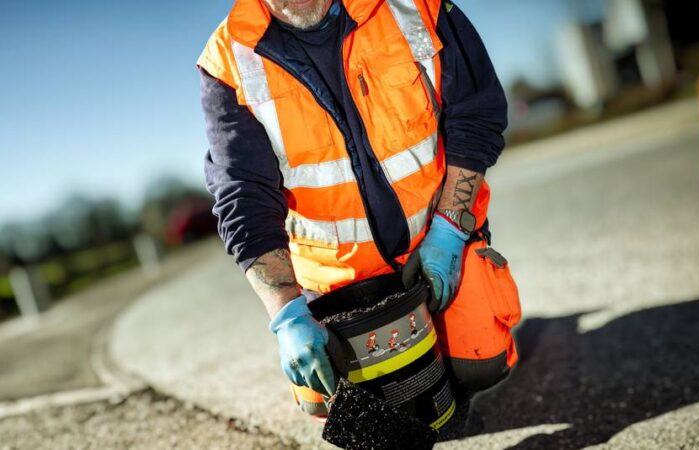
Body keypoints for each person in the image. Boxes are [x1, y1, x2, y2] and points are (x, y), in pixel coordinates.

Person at [198, 0, 521, 419]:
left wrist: (449, 231)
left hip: (439, 239)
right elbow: (243, 195)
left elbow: (476, 116)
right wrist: (287, 313)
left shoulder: (415, 7)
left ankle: (456, 357)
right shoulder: (227, 59)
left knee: (480, 362)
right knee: (336, 403)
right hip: (336, 282)